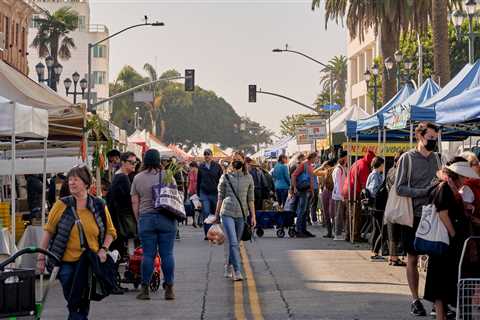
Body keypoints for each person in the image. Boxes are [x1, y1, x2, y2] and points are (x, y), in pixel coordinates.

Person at [37, 165, 117, 320]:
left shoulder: (98, 205)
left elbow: (111, 232)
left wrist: (103, 250)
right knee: (75, 299)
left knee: (82, 299)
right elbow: (48, 232)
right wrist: (41, 258)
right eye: (70, 179)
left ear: (86, 183)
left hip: (89, 262)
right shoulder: (61, 205)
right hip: (65, 263)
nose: (71, 183)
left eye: (76, 180)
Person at [395, 122, 442, 317]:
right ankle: (415, 299)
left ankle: (435, 301)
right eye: (430, 138)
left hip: (434, 215)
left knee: (436, 259)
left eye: (435, 138)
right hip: (414, 215)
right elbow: (399, 187)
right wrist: (422, 192)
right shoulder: (408, 158)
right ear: (420, 137)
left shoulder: (438, 159)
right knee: (412, 258)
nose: (433, 142)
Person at [424, 158, 477, 320]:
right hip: (444, 243)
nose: (465, 180)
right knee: (442, 284)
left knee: (442, 285)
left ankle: (442, 316)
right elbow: (443, 214)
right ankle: (441, 316)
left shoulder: (447, 187)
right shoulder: (445, 188)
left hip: (445, 243)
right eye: (463, 177)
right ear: (457, 175)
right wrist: (453, 234)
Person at [131, 149, 177, 301]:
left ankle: (145, 290)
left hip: (146, 219)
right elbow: (174, 197)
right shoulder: (167, 176)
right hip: (166, 219)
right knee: (167, 254)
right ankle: (169, 289)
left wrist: (139, 219)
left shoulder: (137, 178)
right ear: (159, 161)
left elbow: (134, 202)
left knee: (148, 255)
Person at [215, 151, 256, 281]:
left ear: (243, 161)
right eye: (234, 159)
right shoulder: (225, 177)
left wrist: (253, 216)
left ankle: (228, 265)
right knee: (232, 242)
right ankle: (237, 271)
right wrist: (216, 214)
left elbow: (251, 199)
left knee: (236, 243)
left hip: (242, 214)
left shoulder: (248, 177)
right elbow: (220, 197)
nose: (235, 161)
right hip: (227, 213)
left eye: (238, 159)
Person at [107, 152, 138, 261]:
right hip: (122, 220)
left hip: (117, 220)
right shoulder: (123, 178)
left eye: (135, 162)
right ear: (123, 162)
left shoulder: (118, 175)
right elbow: (128, 201)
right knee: (128, 247)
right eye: (131, 162)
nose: (134, 164)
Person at [343, 150, 376, 242]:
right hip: (353, 191)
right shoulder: (363, 166)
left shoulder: (358, 162)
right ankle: (355, 236)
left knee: (350, 215)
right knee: (356, 215)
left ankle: (348, 235)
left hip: (347, 189)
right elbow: (365, 185)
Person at [196, 149, 223, 239]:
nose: (207, 156)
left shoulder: (217, 166)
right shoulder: (201, 166)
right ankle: (207, 234)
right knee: (206, 212)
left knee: (215, 214)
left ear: (212, 155)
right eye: (205, 154)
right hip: (204, 193)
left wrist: (222, 192)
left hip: (215, 193)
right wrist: (198, 195)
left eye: (208, 154)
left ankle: (215, 232)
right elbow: (198, 181)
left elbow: (222, 180)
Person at [291, 152, 318, 238]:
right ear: (313, 157)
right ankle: (299, 231)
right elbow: (294, 175)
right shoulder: (304, 164)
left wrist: (312, 191)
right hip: (303, 190)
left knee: (305, 211)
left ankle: (303, 230)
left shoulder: (309, 165)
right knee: (301, 211)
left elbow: (311, 179)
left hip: (308, 191)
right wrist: (294, 187)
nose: (317, 159)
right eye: (316, 157)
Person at [386, 152, 405, 266]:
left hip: (391, 203)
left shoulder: (390, 170)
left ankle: (392, 257)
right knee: (395, 232)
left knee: (392, 231)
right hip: (397, 204)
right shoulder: (398, 172)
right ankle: (394, 257)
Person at [366, 157, 386, 261]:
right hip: (376, 206)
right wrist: (381, 192)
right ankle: (375, 252)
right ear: (380, 165)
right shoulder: (375, 175)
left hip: (373, 206)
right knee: (382, 230)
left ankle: (374, 251)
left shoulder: (372, 174)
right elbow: (373, 190)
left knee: (376, 229)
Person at [459, 151, 480, 235]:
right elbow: (466, 215)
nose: (479, 166)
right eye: (475, 163)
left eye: (478, 162)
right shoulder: (467, 188)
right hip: (475, 233)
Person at [315, 160, 336, 237]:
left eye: (326, 166)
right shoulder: (326, 171)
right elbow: (315, 172)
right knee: (326, 213)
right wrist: (322, 166)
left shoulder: (335, 170)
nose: (325, 167)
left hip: (332, 192)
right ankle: (329, 232)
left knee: (331, 212)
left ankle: (334, 232)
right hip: (325, 191)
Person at [332, 151, 348, 241]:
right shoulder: (338, 169)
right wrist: (342, 197)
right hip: (339, 196)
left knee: (340, 214)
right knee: (338, 215)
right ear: (342, 158)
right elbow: (338, 184)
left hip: (341, 195)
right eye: (346, 157)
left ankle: (339, 233)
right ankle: (337, 234)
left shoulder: (342, 168)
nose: (347, 158)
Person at [188, 161, 199, 227]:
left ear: (194, 167)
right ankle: (194, 221)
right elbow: (189, 182)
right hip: (191, 192)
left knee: (197, 207)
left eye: (191, 167)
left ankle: (197, 221)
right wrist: (188, 190)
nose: (190, 169)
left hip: (197, 192)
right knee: (192, 207)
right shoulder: (190, 173)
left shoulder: (199, 173)